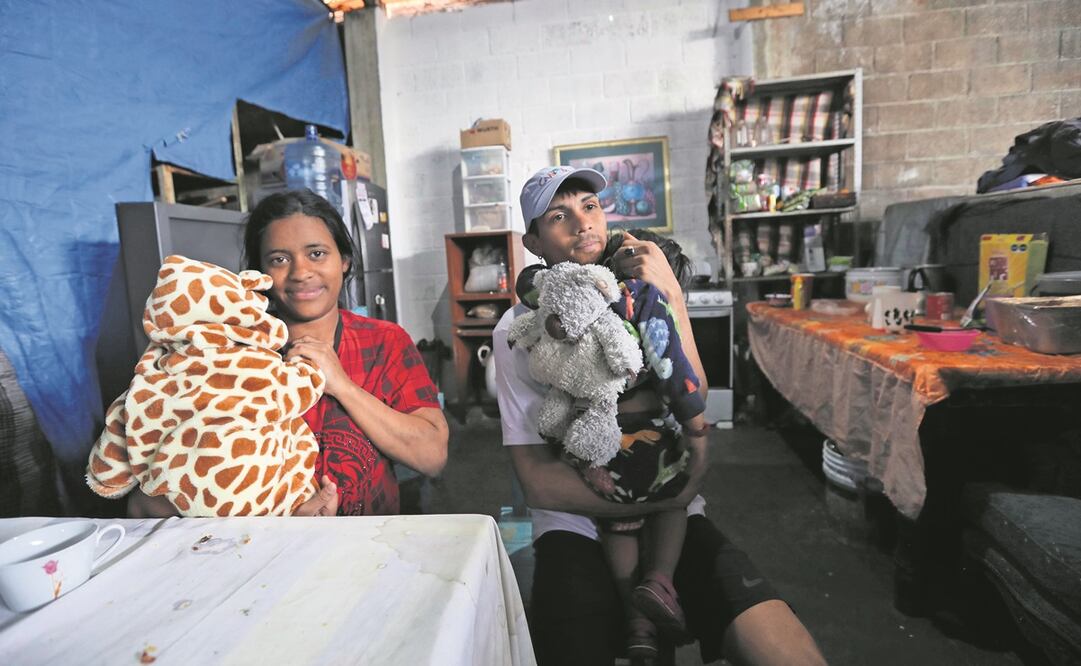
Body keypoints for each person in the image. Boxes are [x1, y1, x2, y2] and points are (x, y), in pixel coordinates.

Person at [493, 166, 827, 665]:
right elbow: (540, 485)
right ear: (535, 242)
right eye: (559, 215)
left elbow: (692, 390)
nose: (582, 222)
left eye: (590, 206)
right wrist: (673, 491)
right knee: (572, 637)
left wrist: (672, 298)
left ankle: (650, 606)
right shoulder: (519, 327)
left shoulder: (638, 291)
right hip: (582, 513)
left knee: (789, 650)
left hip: (669, 498)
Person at [128, 189, 448, 518]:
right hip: (261, 548)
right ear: (260, 275)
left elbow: (432, 455)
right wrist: (281, 521)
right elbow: (157, 487)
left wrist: (342, 385)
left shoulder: (384, 343)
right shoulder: (225, 351)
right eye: (279, 259)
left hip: (373, 543)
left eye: (317, 254)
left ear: (345, 260)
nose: (300, 272)